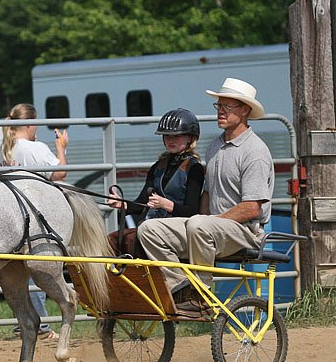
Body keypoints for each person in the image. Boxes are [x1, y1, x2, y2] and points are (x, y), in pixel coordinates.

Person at [137, 78, 274, 312]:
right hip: (211, 227)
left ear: (244, 111)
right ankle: (180, 288)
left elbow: (252, 208)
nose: (220, 112)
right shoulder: (216, 146)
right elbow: (207, 195)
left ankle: (201, 295)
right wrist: (199, 220)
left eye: (226, 107)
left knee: (199, 224)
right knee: (149, 230)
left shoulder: (255, 152)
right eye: (218, 106)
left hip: (245, 231)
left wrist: (207, 221)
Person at [0, 103, 68, 339]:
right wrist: (61, 148)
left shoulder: (2, 149)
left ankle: (29, 321)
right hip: (35, 214)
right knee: (38, 266)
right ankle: (41, 325)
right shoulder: (34, 148)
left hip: (11, 214)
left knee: (20, 273)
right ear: (30, 124)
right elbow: (59, 174)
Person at [107, 108, 205, 256]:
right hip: (153, 227)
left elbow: (192, 211)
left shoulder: (195, 168)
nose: (170, 140)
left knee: (132, 240)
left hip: (179, 229)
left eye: (177, 136)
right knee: (112, 240)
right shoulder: (157, 167)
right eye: (167, 136)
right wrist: (123, 204)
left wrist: (166, 204)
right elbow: (142, 202)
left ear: (190, 138)